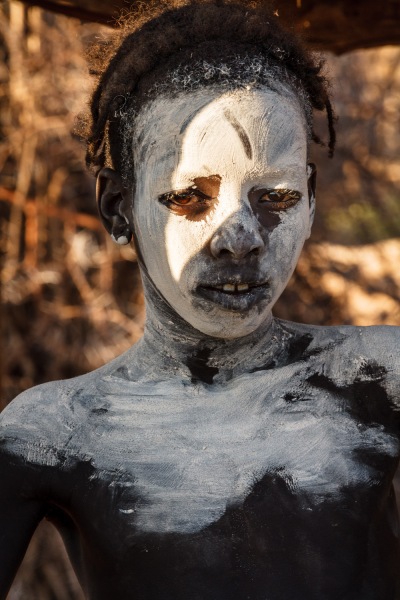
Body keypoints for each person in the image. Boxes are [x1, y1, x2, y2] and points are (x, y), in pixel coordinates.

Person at [1, 2, 399, 598]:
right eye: (189, 196)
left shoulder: (378, 379)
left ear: (311, 202)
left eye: (276, 197)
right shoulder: (58, 432)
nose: (239, 239)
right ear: (118, 208)